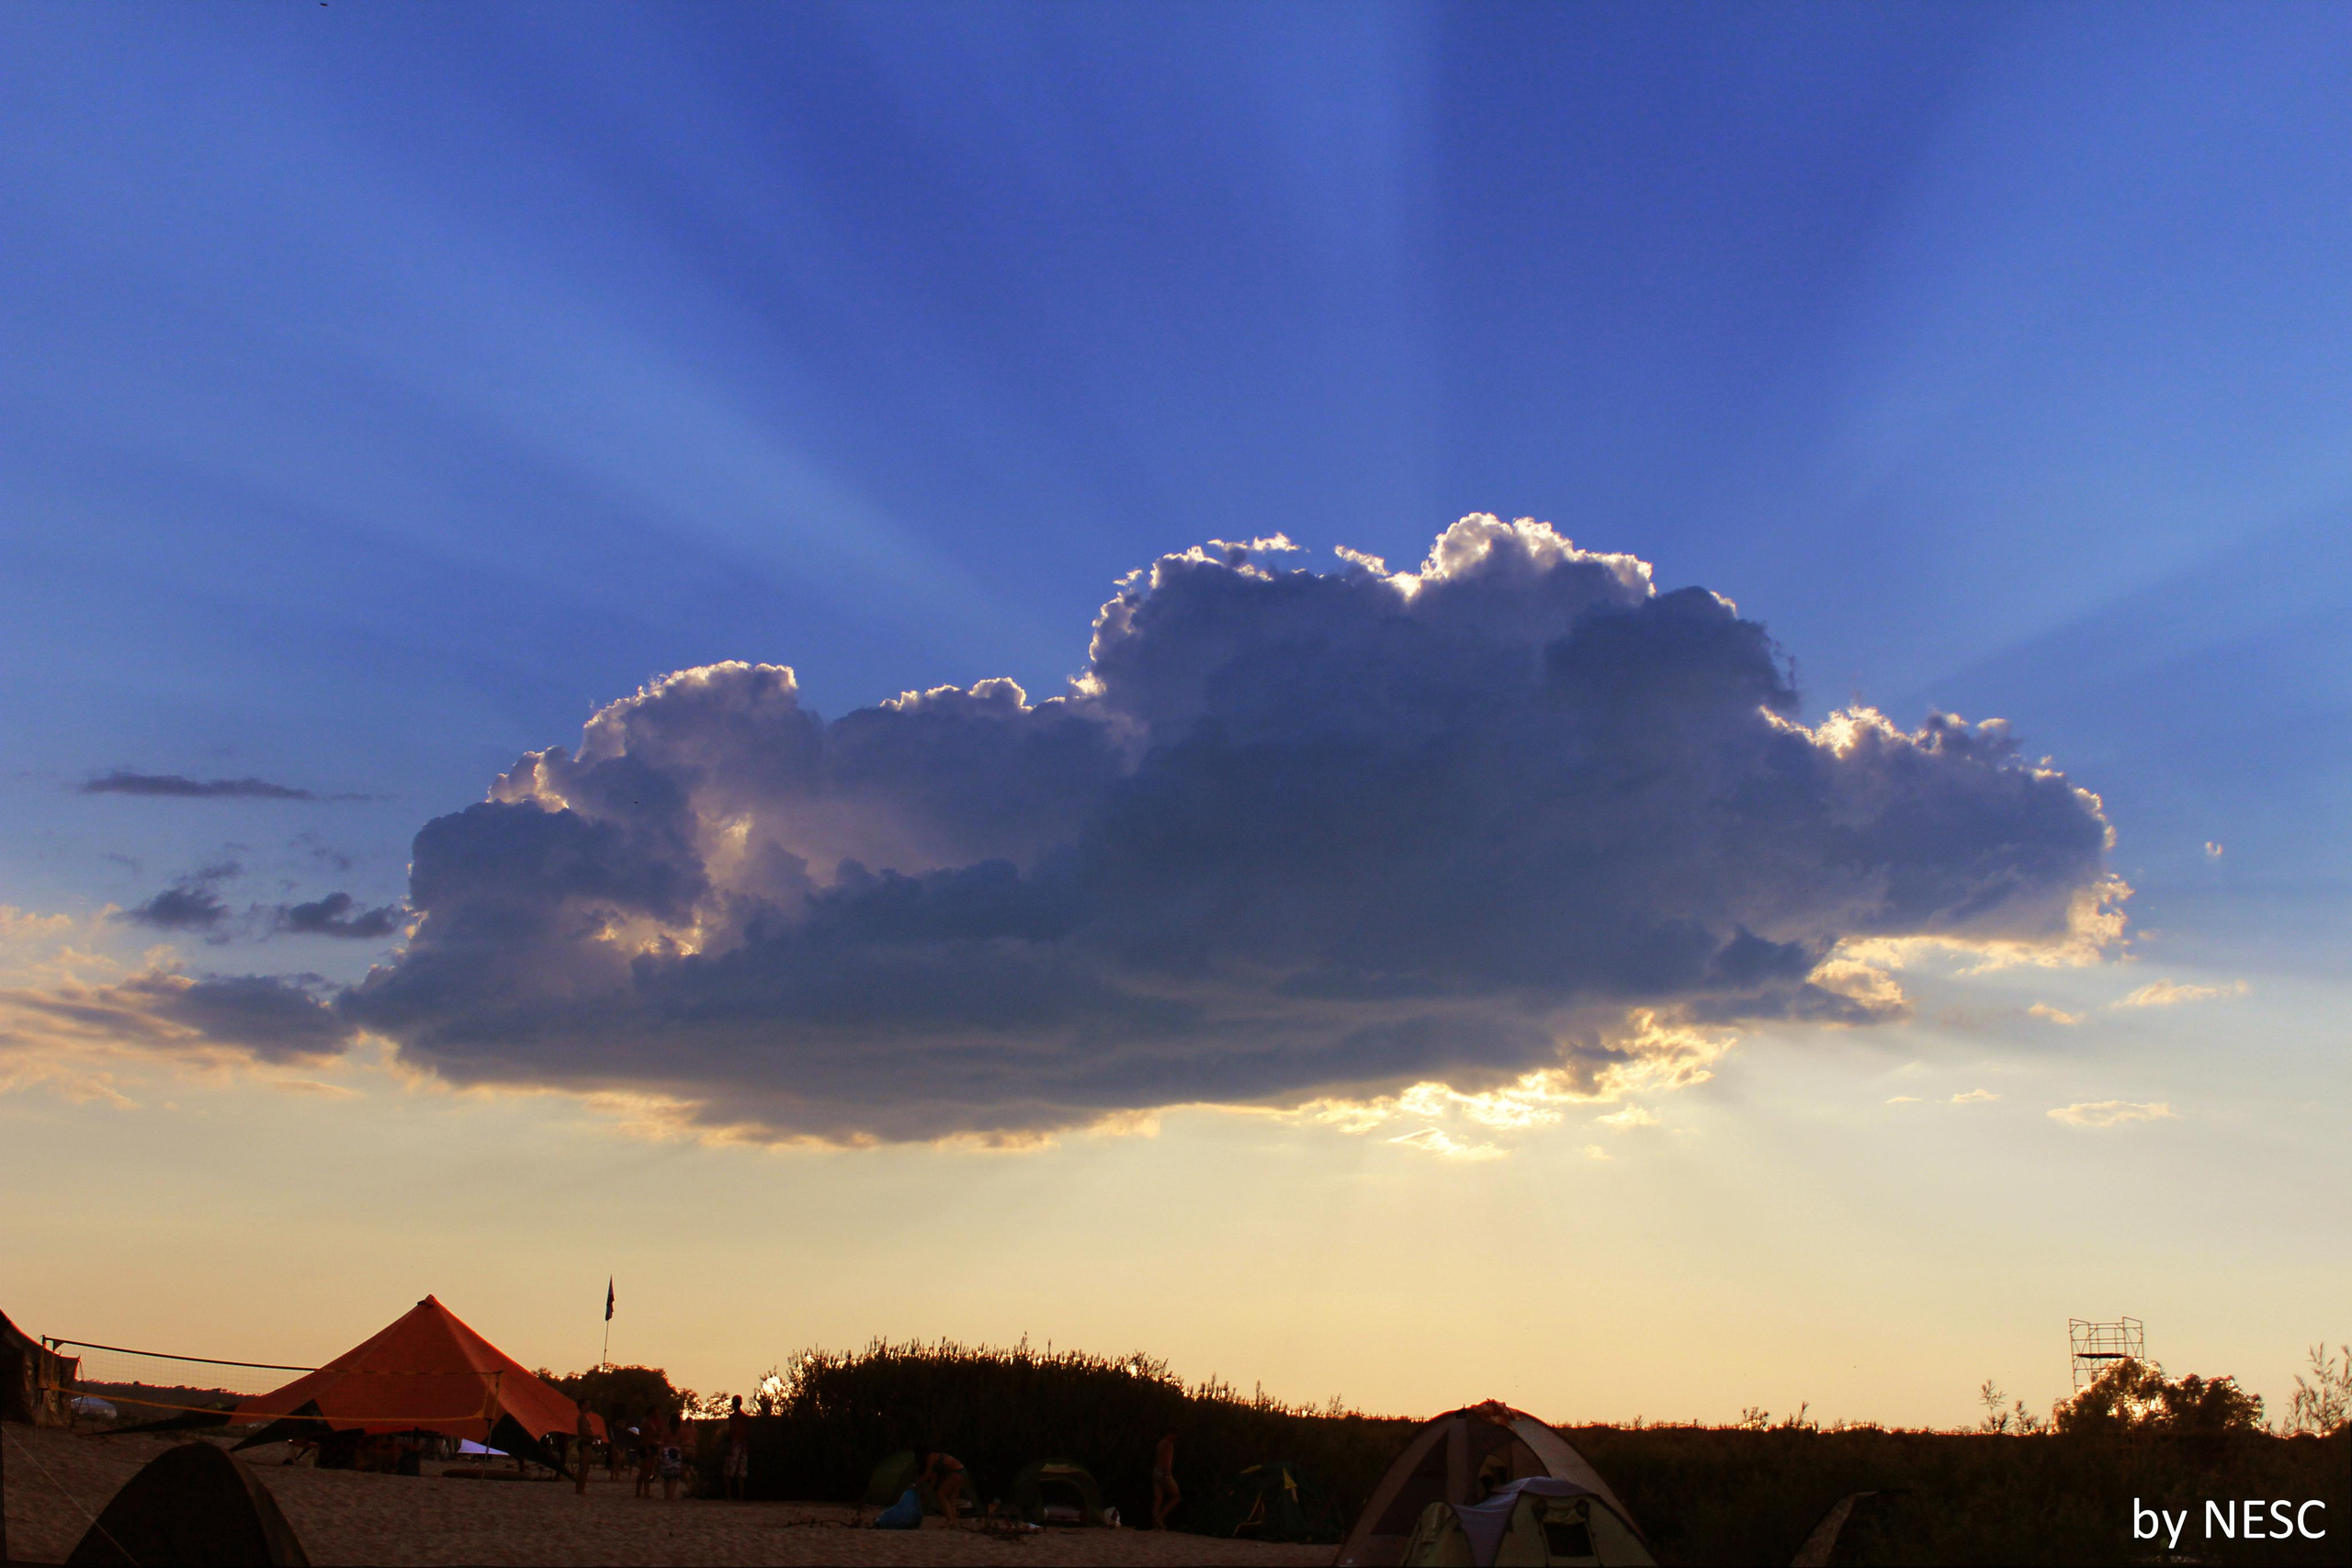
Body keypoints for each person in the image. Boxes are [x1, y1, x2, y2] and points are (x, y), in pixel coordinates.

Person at [914, 1448, 968, 1528]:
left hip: (956, 1472)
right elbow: (933, 1480)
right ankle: (954, 1523)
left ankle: (950, 1520)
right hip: (962, 1471)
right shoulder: (937, 1461)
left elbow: (927, 1475)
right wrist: (926, 1491)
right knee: (951, 1499)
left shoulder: (931, 1457)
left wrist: (915, 1483)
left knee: (941, 1494)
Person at [723, 1394, 751, 1501]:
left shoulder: (733, 1418)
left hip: (734, 1444)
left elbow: (730, 1431)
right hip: (743, 1445)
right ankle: (740, 1496)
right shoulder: (745, 1418)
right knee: (741, 1472)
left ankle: (729, 1496)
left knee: (728, 1471)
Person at [1151, 1431, 1180, 1529]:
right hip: (1164, 1473)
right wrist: (1167, 1473)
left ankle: (1155, 1521)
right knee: (1176, 1496)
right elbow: (1167, 1460)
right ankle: (1160, 1518)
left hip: (1157, 1472)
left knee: (1158, 1499)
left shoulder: (1160, 1444)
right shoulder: (1168, 1444)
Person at [574, 1405, 595, 1495]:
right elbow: (584, 1431)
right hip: (585, 1443)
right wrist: (594, 1436)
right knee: (583, 1467)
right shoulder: (582, 1418)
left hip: (587, 1442)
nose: (589, 1406)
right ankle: (580, 1488)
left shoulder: (584, 1417)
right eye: (587, 1404)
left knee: (585, 1468)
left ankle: (580, 1488)